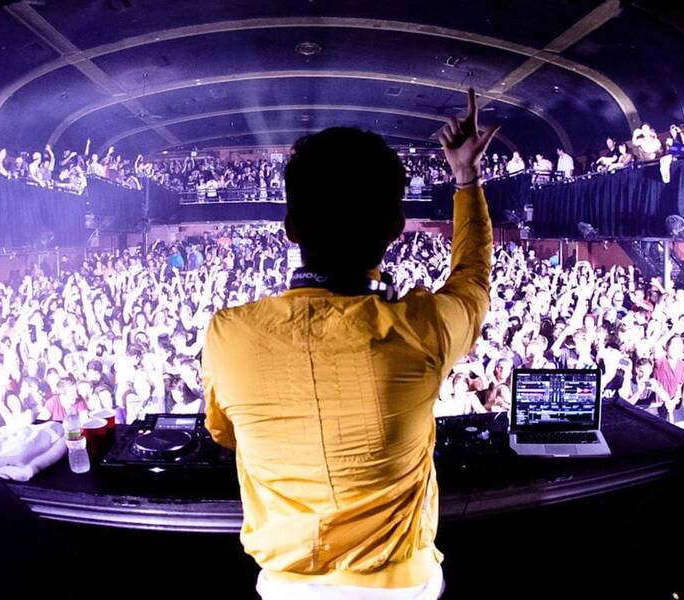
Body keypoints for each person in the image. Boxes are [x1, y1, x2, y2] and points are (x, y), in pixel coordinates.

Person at [203, 88, 497, 598]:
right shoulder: (422, 329)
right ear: (395, 228)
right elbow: (472, 281)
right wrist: (466, 178)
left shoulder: (228, 334)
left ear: (290, 229)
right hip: (402, 586)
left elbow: (226, 434)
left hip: (286, 588)